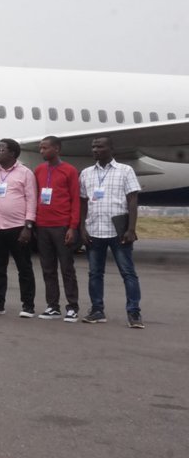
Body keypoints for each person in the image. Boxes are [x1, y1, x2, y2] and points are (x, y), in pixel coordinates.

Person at [79, 136, 143, 327]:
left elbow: (132, 200)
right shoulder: (86, 173)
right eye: (93, 147)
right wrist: (82, 227)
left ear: (111, 149)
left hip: (118, 231)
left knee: (128, 273)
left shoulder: (125, 171)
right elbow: (83, 202)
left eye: (100, 146)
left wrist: (131, 229)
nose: (95, 150)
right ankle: (97, 311)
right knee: (94, 274)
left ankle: (134, 313)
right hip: (94, 230)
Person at [0, 138, 38, 317]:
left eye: (1, 149)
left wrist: (28, 226)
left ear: (12, 153)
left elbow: (31, 200)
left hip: (17, 228)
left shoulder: (25, 173)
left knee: (24, 267)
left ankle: (28, 306)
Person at [33, 136, 82, 322]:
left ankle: (72, 306)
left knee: (67, 268)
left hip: (62, 226)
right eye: (40, 148)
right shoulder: (38, 170)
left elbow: (76, 200)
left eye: (45, 148)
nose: (41, 151)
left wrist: (73, 227)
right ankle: (52, 306)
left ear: (57, 149)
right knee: (48, 269)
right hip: (43, 226)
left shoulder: (69, 171)